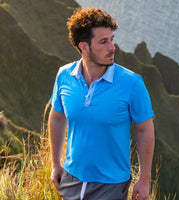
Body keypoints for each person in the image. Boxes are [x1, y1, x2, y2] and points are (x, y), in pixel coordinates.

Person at [48, 7, 155, 200]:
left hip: (112, 185)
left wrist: (145, 178)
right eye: (103, 42)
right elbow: (57, 117)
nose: (112, 47)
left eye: (112, 39)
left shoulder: (132, 83)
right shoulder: (64, 75)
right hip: (71, 179)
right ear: (84, 47)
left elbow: (144, 129)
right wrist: (55, 163)